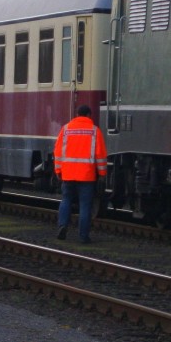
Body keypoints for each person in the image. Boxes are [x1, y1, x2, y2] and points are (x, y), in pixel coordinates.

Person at [53, 104, 107, 244]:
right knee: (85, 205)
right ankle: (83, 235)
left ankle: (62, 226)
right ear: (89, 115)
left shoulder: (65, 130)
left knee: (66, 200)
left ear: (77, 115)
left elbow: (58, 152)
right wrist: (102, 173)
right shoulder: (95, 131)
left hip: (68, 174)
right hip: (87, 175)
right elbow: (100, 155)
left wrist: (58, 171)